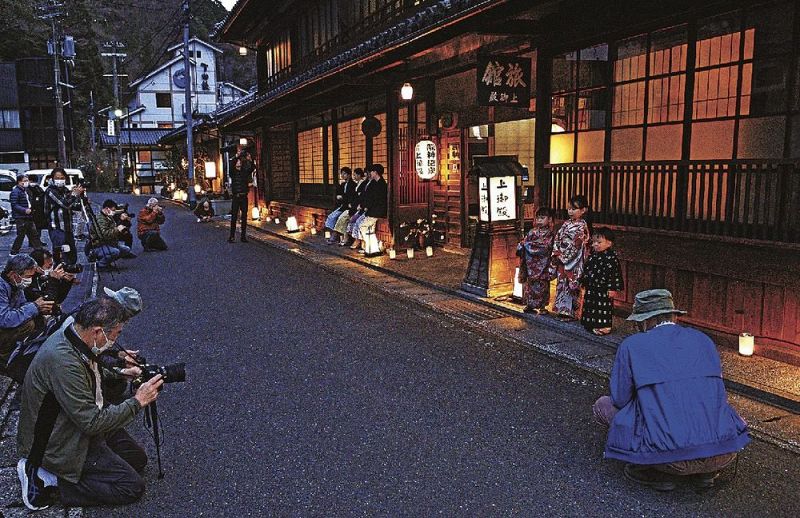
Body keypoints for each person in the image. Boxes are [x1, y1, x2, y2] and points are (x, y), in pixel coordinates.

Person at [593, 289, 750, 492]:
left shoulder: (633, 345)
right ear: (674, 315)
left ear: (644, 321)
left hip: (670, 458)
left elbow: (620, 398)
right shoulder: (703, 340)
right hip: (724, 452)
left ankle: (654, 472)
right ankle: (706, 472)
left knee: (603, 405)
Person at [16, 297, 163, 510]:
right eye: (116, 334)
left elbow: (87, 374)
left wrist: (121, 372)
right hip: (61, 439)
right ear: (97, 331)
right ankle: (48, 479)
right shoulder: (63, 360)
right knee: (131, 487)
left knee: (136, 459)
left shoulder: (74, 335)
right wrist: (138, 401)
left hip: (77, 419)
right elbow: (91, 423)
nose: (116, 340)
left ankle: (75, 471)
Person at [0, 254, 54, 367]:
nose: (29, 280)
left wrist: (40, 308)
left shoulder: (15, 285)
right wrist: (34, 307)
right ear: (13, 274)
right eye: (27, 276)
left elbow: (22, 304)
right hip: (3, 323)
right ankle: (4, 354)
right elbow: (4, 319)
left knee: (39, 318)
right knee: (28, 324)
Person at [551, 194, 590, 320]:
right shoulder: (566, 224)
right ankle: (561, 309)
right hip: (563, 257)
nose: (570, 211)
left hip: (574, 261)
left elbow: (577, 244)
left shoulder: (582, 227)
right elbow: (558, 238)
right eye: (569, 208)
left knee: (572, 285)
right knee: (562, 284)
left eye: (574, 209)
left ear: (583, 210)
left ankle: (571, 313)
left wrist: (563, 257)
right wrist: (556, 252)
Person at [580, 228, 624, 336]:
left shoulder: (611, 257)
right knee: (590, 305)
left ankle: (604, 327)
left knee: (603, 307)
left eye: (599, 242)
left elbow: (615, 274)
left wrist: (612, 288)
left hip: (603, 288)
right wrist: (584, 281)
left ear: (609, 243)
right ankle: (590, 324)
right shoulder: (593, 255)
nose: (595, 244)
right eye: (594, 242)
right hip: (592, 286)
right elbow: (587, 268)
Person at [517, 208, 555, 315]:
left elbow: (546, 246)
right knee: (530, 284)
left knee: (543, 284)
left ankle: (542, 306)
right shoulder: (532, 232)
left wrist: (527, 245)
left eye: (542, 218)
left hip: (543, 262)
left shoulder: (550, 234)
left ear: (549, 219)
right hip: (531, 264)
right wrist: (523, 244)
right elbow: (524, 242)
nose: (539, 220)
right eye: (538, 218)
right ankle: (530, 304)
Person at [45, 167, 85, 267]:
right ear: (52, 178)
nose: (60, 179)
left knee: (71, 255)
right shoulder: (50, 191)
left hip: (68, 227)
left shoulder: (65, 190)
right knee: (61, 256)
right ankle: (59, 277)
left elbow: (71, 206)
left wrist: (82, 201)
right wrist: (75, 194)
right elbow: (65, 204)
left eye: (62, 177)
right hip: (57, 228)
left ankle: (70, 275)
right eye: (57, 177)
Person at [355, 164, 388, 254]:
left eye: (372, 172)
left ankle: (373, 247)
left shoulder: (381, 184)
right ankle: (372, 248)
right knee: (369, 228)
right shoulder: (375, 183)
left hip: (378, 210)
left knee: (363, 226)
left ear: (376, 172)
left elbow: (376, 199)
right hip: (372, 209)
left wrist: (366, 206)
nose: (370, 173)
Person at [9, 174, 44, 256]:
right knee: (21, 235)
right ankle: (14, 250)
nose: (26, 182)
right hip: (21, 217)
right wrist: (24, 210)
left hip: (28, 216)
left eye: (27, 180)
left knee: (34, 234)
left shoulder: (25, 190)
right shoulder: (15, 192)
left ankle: (39, 250)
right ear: (19, 182)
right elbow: (14, 204)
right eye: (24, 181)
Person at [325, 167, 354, 244]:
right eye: (342, 173)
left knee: (338, 218)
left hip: (348, 206)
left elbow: (351, 196)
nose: (342, 175)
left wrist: (343, 197)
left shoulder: (353, 184)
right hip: (342, 205)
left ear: (349, 175)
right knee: (331, 217)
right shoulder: (343, 184)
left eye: (344, 173)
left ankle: (334, 236)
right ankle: (335, 235)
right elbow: (339, 193)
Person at [338, 168, 367, 246]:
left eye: (355, 175)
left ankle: (358, 242)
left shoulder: (363, 183)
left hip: (360, 207)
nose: (354, 177)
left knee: (353, 221)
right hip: (354, 206)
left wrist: (355, 205)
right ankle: (347, 238)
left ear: (359, 175)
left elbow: (360, 197)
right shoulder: (357, 183)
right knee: (348, 220)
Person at [228, 153, 253, 243]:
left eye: (239, 162)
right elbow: (231, 164)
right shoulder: (233, 173)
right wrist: (236, 156)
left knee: (244, 217)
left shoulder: (244, 172)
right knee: (234, 216)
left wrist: (250, 160)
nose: (238, 163)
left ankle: (243, 236)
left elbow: (251, 168)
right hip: (236, 196)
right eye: (237, 162)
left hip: (243, 196)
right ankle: (232, 236)